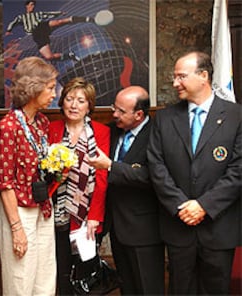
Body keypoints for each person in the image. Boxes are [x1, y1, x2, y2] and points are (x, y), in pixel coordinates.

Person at [147, 51, 241, 294]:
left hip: (218, 227)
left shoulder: (236, 116)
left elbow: (238, 170)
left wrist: (204, 206)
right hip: (179, 227)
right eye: (174, 77)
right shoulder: (165, 118)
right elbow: (157, 167)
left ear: (203, 76)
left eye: (181, 76)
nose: (175, 82)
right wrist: (181, 205)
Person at [88, 86, 165, 295]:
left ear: (139, 114)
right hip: (117, 226)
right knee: (127, 288)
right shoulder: (112, 130)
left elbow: (151, 176)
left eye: (121, 111)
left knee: (148, 288)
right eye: (115, 108)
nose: (114, 115)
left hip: (144, 229)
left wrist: (112, 166)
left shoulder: (158, 134)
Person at [0, 56, 59, 295]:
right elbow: (3, 182)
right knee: (21, 278)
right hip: (18, 210)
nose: (55, 93)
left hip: (42, 206)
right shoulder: (9, 127)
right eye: (51, 88)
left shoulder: (41, 122)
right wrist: (16, 228)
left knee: (45, 276)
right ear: (34, 88)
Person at [48, 77, 110, 295]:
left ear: (89, 106)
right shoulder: (52, 129)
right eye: (69, 99)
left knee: (85, 272)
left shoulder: (101, 132)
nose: (74, 105)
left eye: (81, 100)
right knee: (61, 268)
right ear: (62, 101)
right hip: (57, 212)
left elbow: (102, 177)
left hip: (87, 216)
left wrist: (95, 215)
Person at [5, 0, 92, 62]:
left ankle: (87, 19)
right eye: (31, 4)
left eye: (34, 5)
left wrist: (59, 13)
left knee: (60, 22)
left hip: (41, 27)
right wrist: (9, 30)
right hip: (36, 35)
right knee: (49, 56)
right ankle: (69, 55)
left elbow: (49, 13)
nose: (33, 6)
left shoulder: (37, 14)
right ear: (27, 6)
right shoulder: (21, 17)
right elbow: (13, 22)